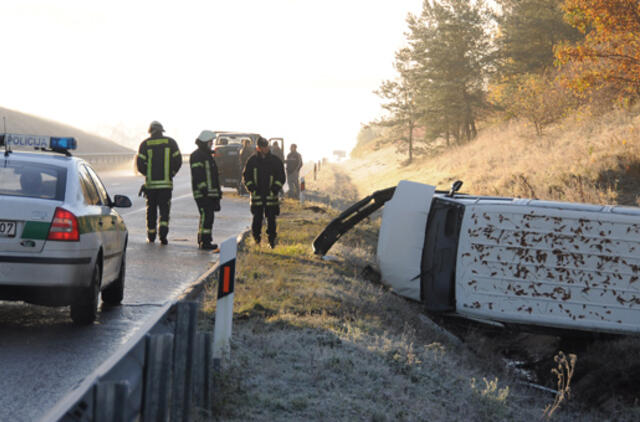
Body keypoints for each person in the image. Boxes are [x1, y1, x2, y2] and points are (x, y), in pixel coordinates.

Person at [136, 121, 182, 245]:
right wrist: (171, 173)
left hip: (151, 185)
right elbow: (178, 160)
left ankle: (151, 235)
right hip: (166, 185)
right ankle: (163, 236)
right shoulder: (171, 142)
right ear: (162, 130)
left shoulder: (145, 144)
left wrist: (148, 174)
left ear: (150, 131)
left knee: (151, 211)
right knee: (164, 211)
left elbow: (140, 164)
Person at [243, 137, 286, 248]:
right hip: (257, 197)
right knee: (257, 219)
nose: (265, 149)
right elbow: (246, 177)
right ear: (258, 148)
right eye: (263, 147)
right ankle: (256, 241)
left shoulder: (275, 161)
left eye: (266, 146)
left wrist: (275, 188)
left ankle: (271, 241)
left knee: (271, 219)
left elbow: (281, 176)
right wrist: (252, 188)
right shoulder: (252, 161)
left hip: (271, 197)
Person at [190, 130, 222, 250]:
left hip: (209, 193)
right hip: (202, 193)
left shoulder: (206, 155)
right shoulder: (198, 156)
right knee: (206, 216)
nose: (212, 144)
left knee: (208, 217)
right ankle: (205, 241)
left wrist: (217, 193)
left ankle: (204, 239)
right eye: (210, 142)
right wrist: (204, 190)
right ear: (205, 142)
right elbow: (198, 175)